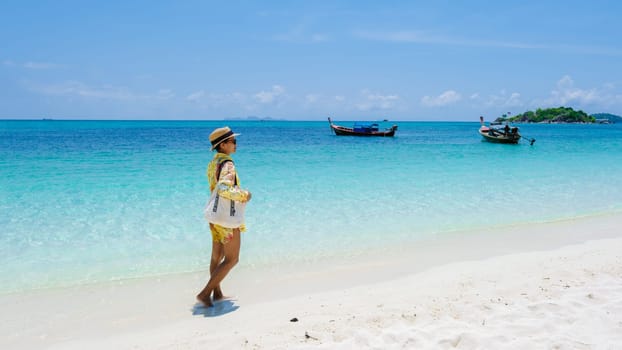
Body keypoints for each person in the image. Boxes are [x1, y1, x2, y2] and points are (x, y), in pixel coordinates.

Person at [196, 126, 251, 307]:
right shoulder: (228, 164)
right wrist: (244, 195)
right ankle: (205, 293)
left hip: (215, 215)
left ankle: (217, 294)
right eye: (233, 141)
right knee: (232, 259)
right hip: (227, 218)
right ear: (223, 145)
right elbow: (224, 189)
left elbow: (214, 188)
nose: (236, 144)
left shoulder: (213, 163)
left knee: (216, 257)